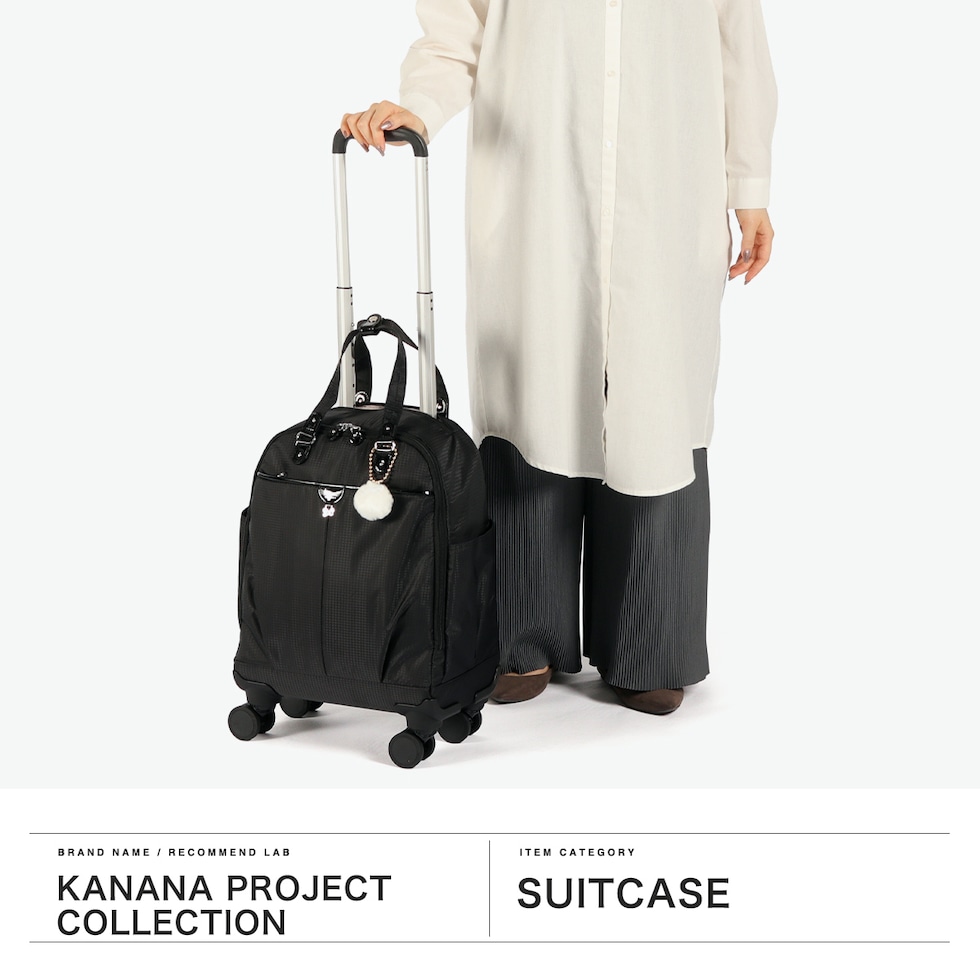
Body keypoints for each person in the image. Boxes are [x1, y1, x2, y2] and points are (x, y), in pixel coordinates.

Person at [341, 0, 777, 715]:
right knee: (532, 404)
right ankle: (521, 635)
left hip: (667, 184)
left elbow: (740, 44)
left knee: (655, 407)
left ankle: (649, 641)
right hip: (535, 188)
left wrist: (749, 186)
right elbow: (455, 30)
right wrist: (417, 106)